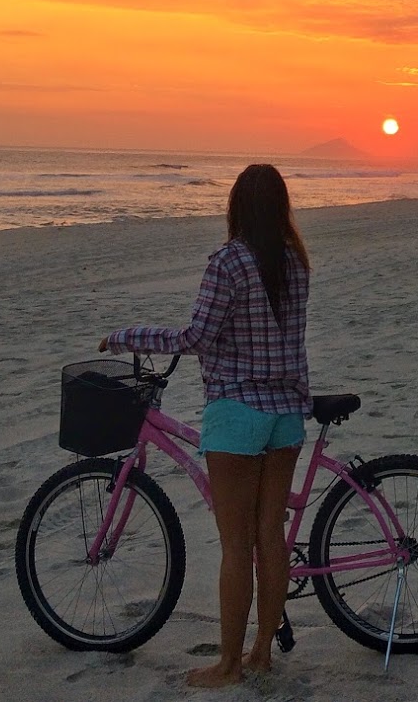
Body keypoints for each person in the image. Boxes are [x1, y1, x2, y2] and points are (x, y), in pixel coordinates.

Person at [100, 163, 311, 688]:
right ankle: (261, 651)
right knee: (270, 537)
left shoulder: (229, 262)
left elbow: (195, 337)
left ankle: (228, 663)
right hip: (286, 413)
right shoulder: (296, 261)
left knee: (237, 544)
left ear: (236, 206)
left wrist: (130, 336)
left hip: (238, 414)